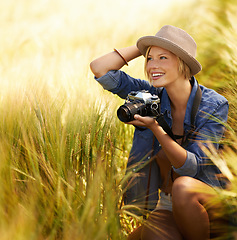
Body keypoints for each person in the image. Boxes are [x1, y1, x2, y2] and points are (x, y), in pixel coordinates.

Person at [90, 25, 229, 240]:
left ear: (182, 63)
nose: (152, 66)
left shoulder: (214, 105)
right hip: (168, 202)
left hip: (206, 199)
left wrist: (156, 128)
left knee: (183, 187)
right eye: (149, 59)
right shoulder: (150, 95)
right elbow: (100, 69)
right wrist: (142, 47)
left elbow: (191, 166)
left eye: (163, 58)